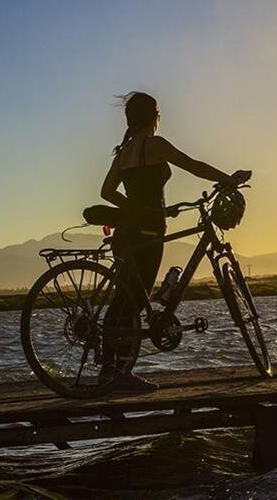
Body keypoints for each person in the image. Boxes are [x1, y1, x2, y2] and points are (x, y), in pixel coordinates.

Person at [99, 91, 247, 389]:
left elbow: (107, 192)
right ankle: (120, 374)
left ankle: (109, 371)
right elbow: (191, 164)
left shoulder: (125, 151)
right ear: (154, 116)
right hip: (150, 231)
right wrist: (228, 179)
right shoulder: (152, 144)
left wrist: (137, 208)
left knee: (125, 300)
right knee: (132, 302)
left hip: (129, 230)